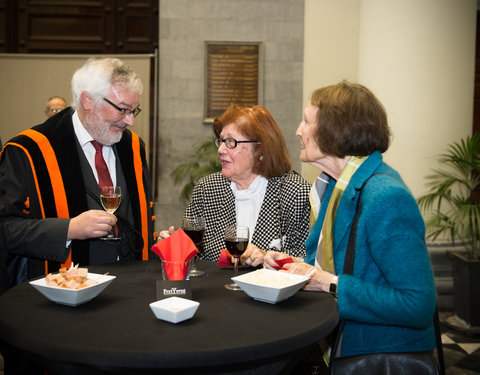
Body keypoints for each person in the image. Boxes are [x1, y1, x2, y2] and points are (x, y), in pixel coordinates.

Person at [244, 81, 437, 358]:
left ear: (335, 130)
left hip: (377, 356)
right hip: (342, 346)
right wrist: (293, 265)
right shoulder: (335, 186)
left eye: (306, 121)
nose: (298, 131)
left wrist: (325, 282)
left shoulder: (385, 197)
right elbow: (335, 264)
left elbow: (417, 304)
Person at [0, 57, 155, 294]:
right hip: (63, 296)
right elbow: (7, 230)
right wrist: (69, 229)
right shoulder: (29, 151)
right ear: (87, 100)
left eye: (134, 111)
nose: (130, 121)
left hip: (129, 291)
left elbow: (139, 220)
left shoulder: (133, 147)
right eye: (122, 109)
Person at [159, 105, 311, 262]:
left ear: (260, 149)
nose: (221, 150)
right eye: (221, 141)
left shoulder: (296, 193)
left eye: (231, 142)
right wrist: (173, 248)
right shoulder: (208, 189)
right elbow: (193, 255)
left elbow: (309, 260)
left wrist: (267, 258)